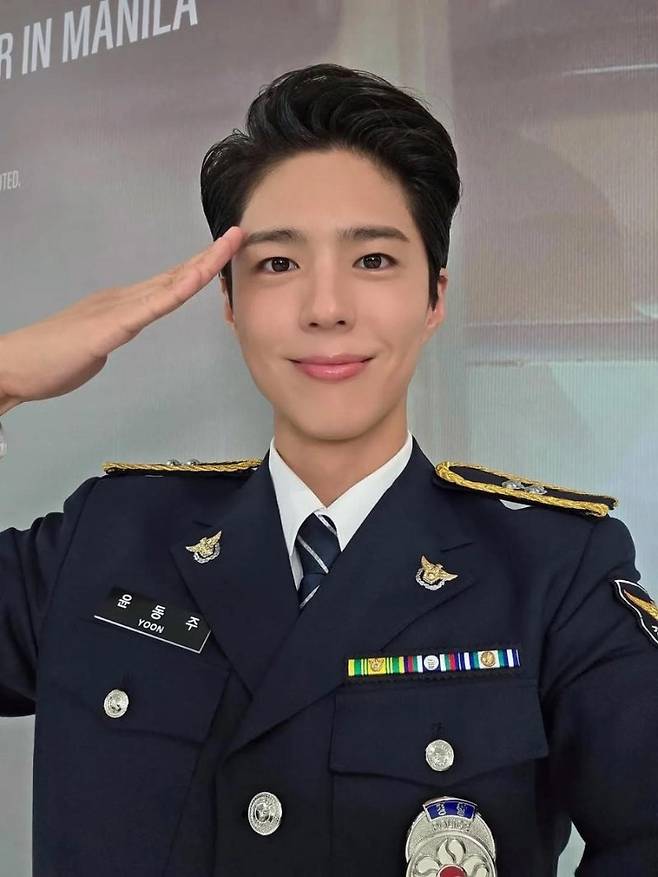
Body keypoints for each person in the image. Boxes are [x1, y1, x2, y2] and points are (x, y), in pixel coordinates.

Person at [0, 62, 656, 877]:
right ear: (229, 303)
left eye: (373, 259)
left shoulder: (554, 572)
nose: (326, 307)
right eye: (278, 264)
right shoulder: (106, 538)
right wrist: (5, 373)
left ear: (434, 297)